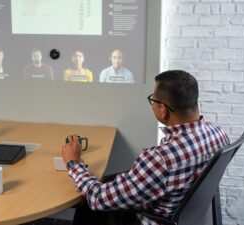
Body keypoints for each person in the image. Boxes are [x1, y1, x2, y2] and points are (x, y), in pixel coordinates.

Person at [62, 70, 230, 225]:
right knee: (106, 181)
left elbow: (98, 198)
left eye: (153, 100)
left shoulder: (160, 160)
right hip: (182, 211)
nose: (152, 104)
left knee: (87, 204)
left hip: (151, 219)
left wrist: (73, 164)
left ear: (163, 110)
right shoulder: (218, 134)